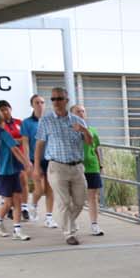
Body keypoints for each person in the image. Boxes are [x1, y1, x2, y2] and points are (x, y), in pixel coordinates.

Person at [33, 87, 90, 246]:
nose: (56, 102)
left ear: (66, 100)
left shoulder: (77, 120)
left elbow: (89, 142)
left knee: (80, 201)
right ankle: (69, 234)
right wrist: (36, 166)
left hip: (77, 167)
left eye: (59, 99)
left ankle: (68, 223)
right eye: (53, 99)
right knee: (63, 202)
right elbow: (39, 144)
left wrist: (84, 130)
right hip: (56, 167)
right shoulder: (46, 120)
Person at [0, 101, 34, 241]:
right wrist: (27, 163)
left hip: (13, 170)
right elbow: (15, 150)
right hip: (4, 172)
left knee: (17, 200)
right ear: (1, 118)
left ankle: (17, 230)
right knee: (8, 203)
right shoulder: (3, 134)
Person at [19, 94, 56, 227]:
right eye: (37, 103)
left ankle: (49, 218)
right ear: (32, 105)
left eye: (42, 102)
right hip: (35, 159)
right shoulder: (27, 123)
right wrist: (27, 161)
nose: (40, 105)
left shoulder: (50, 121)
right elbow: (25, 143)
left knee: (50, 189)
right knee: (40, 189)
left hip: (50, 159)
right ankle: (33, 204)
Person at [72, 103, 105, 236]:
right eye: (78, 111)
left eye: (83, 111)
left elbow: (96, 148)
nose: (81, 113)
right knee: (76, 197)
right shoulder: (69, 131)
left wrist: (101, 164)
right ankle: (72, 221)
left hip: (91, 166)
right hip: (75, 166)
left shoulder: (92, 130)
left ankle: (94, 224)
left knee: (93, 196)